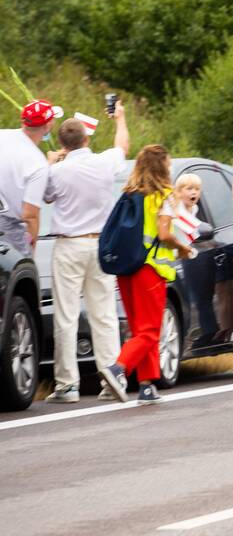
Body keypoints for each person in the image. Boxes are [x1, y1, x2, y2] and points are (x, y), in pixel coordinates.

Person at [43, 101, 130, 403]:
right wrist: (120, 119)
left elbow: (46, 196)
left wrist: (52, 163)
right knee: (104, 313)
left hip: (68, 244)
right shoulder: (104, 162)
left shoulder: (58, 170)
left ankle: (67, 384)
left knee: (66, 316)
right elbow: (122, 147)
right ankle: (111, 377)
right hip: (100, 243)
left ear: (64, 144)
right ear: (87, 139)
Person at [97, 145, 195, 405]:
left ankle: (147, 384)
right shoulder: (163, 196)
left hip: (126, 268)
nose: (171, 167)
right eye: (169, 163)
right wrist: (182, 247)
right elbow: (164, 235)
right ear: (161, 166)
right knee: (150, 331)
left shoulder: (129, 194)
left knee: (139, 329)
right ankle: (118, 369)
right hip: (149, 269)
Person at [0, 100, 57, 257]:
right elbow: (29, 215)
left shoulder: (2, 135)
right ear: (47, 126)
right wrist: (31, 249)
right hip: (8, 231)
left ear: (23, 120)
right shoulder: (37, 163)